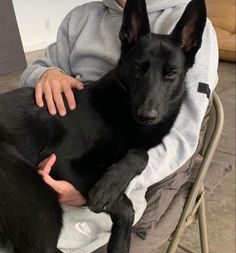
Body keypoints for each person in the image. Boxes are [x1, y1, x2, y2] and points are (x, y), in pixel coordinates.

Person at [20, 0, 219, 209]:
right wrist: (46, 74)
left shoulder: (184, 22)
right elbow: (38, 68)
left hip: (123, 171)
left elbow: (183, 133)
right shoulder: (80, 17)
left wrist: (102, 186)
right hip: (63, 143)